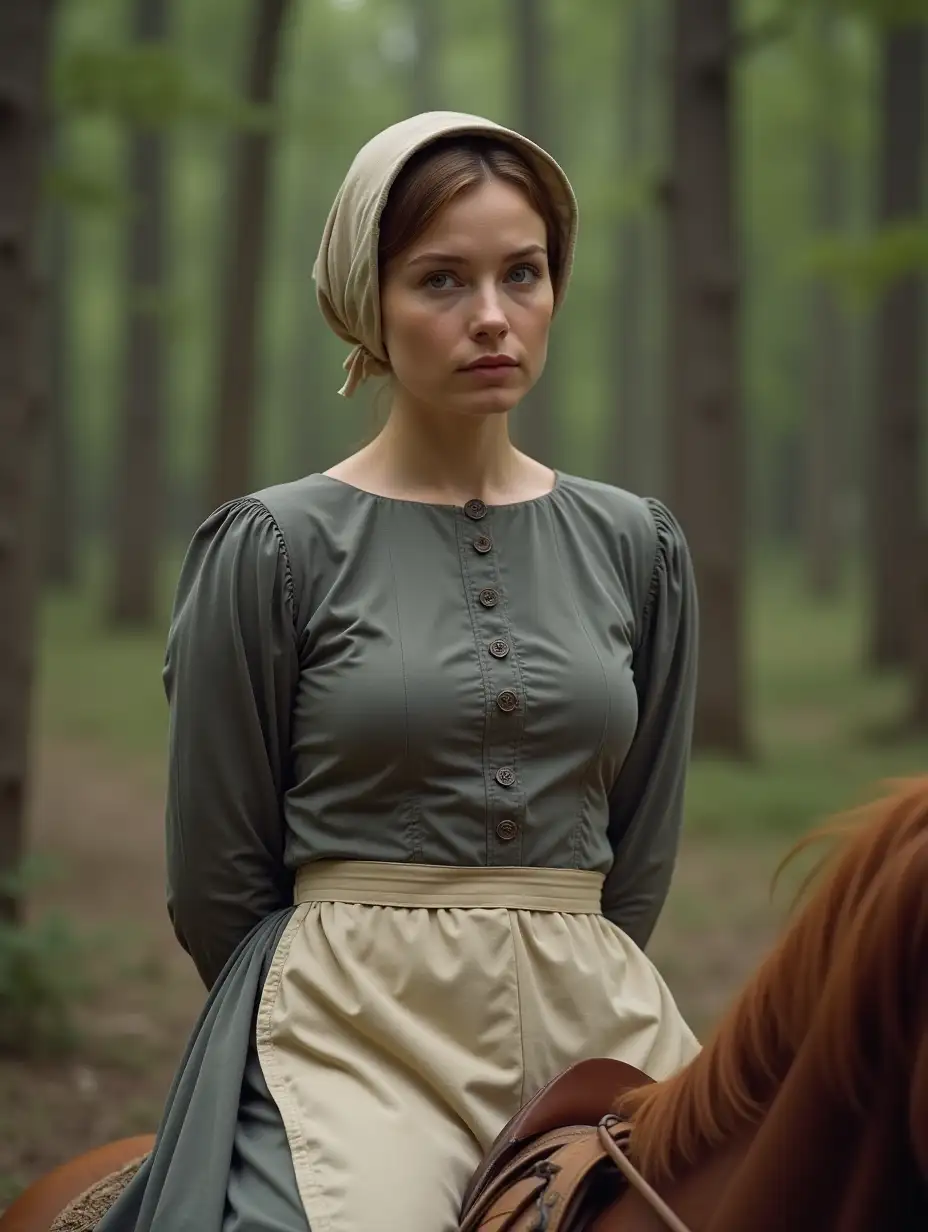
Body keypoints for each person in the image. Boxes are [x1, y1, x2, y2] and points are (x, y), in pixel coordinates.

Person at [97, 110, 700, 1232]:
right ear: (365, 305)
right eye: (439, 280)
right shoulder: (273, 547)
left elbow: (642, 840)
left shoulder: (637, 544)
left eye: (522, 273)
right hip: (348, 1031)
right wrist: (322, 1001)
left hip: (597, 1017)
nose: (490, 317)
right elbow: (216, 876)